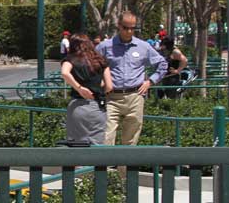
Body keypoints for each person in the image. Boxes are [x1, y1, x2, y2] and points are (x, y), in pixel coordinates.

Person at [96, 11, 167, 146]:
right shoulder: (105, 47)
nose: (129, 31)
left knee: (130, 140)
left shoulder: (143, 46)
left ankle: (124, 168)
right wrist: (100, 81)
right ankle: (106, 167)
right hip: (111, 97)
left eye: (132, 28)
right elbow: (91, 65)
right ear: (119, 26)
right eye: (125, 27)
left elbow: (162, 64)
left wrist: (150, 81)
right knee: (106, 136)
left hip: (135, 96)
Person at [59, 33, 113, 144]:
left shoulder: (71, 59)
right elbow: (109, 86)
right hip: (97, 106)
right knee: (97, 144)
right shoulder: (100, 61)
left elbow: (65, 73)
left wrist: (79, 88)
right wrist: (97, 86)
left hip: (77, 106)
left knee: (76, 144)